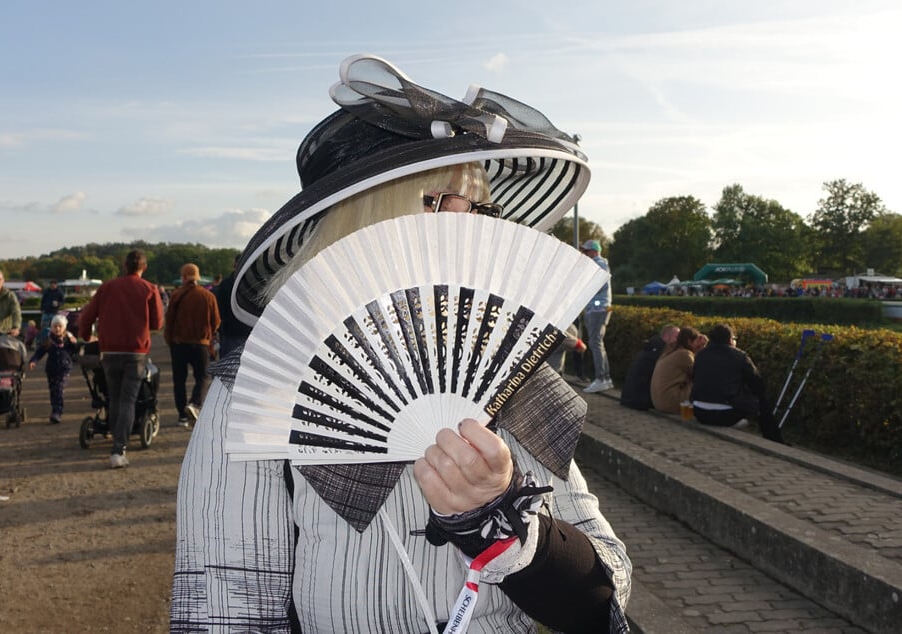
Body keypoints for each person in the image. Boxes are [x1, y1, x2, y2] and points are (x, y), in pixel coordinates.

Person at [170, 54, 631, 633]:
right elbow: (224, 608)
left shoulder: (511, 375)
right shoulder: (261, 393)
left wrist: (509, 524)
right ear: (361, 224)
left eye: (477, 208)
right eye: (434, 202)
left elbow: (607, 591)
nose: (464, 228)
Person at [78, 250, 164, 469]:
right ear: (143, 267)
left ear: (124, 266)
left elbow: (86, 316)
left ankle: (115, 439)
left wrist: (87, 336)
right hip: (136, 352)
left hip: (109, 352)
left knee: (114, 397)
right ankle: (119, 449)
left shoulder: (107, 287)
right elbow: (157, 323)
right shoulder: (149, 289)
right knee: (128, 400)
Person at [690, 323, 784, 443]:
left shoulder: (701, 355)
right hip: (726, 414)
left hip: (699, 412)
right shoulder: (739, 356)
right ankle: (774, 439)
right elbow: (758, 384)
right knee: (761, 400)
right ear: (730, 340)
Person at [164, 263, 220, 427]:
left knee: (179, 380)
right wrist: (209, 335)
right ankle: (194, 403)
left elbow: (169, 322)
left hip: (179, 344)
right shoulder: (208, 296)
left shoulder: (176, 295)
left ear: (183, 277)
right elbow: (216, 322)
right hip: (201, 344)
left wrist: (171, 341)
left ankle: (182, 415)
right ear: (197, 277)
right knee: (202, 376)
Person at [28, 314, 77, 423]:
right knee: (53, 390)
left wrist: (75, 343)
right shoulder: (48, 339)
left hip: (64, 368)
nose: (57, 328)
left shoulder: (68, 339)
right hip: (51, 368)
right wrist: (33, 361)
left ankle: (57, 411)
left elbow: (75, 351)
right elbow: (40, 351)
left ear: (64, 327)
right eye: (55, 326)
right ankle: (55, 408)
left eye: (60, 326)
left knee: (59, 389)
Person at [619, 324, 679, 410]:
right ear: (666, 336)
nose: (678, 341)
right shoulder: (661, 352)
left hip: (627, 398)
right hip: (640, 401)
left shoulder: (650, 347)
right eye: (676, 337)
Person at [581, 239, 613, 393]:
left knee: (595, 344)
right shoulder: (600, 264)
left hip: (596, 309)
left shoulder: (598, 264)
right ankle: (605, 379)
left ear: (594, 251)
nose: (584, 254)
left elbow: (600, 284)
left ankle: (601, 379)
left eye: (586, 251)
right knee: (598, 343)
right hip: (599, 309)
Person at [650, 327, 702, 414]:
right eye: (697, 342)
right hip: (670, 402)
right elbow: (700, 373)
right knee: (704, 382)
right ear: (689, 342)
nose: (699, 345)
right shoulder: (685, 354)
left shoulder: (668, 352)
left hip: (658, 402)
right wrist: (702, 350)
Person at [213, 254, 252, 359]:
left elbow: (220, 309)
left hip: (230, 332)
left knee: (229, 369)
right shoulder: (256, 282)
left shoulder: (225, 284)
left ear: (234, 265)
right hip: (251, 332)